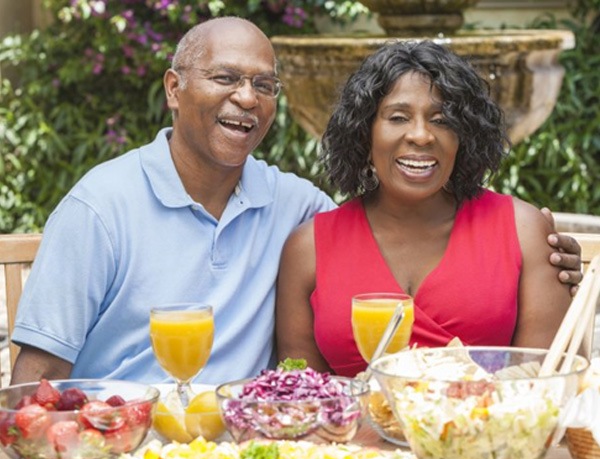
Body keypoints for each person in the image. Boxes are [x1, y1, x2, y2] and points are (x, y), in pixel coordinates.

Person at [10, 20, 581, 386]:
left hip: (255, 446)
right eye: (225, 77)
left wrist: (552, 254)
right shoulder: (100, 207)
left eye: (263, 85)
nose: (245, 97)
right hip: (122, 443)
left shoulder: (292, 206)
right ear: (173, 89)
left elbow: (544, 381)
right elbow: (34, 380)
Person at [275, 40, 575, 377]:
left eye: (442, 119)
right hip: (350, 430)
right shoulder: (308, 249)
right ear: (364, 133)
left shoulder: (522, 230)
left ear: (464, 136)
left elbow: (548, 383)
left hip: (491, 427)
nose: (421, 135)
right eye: (398, 117)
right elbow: (302, 397)